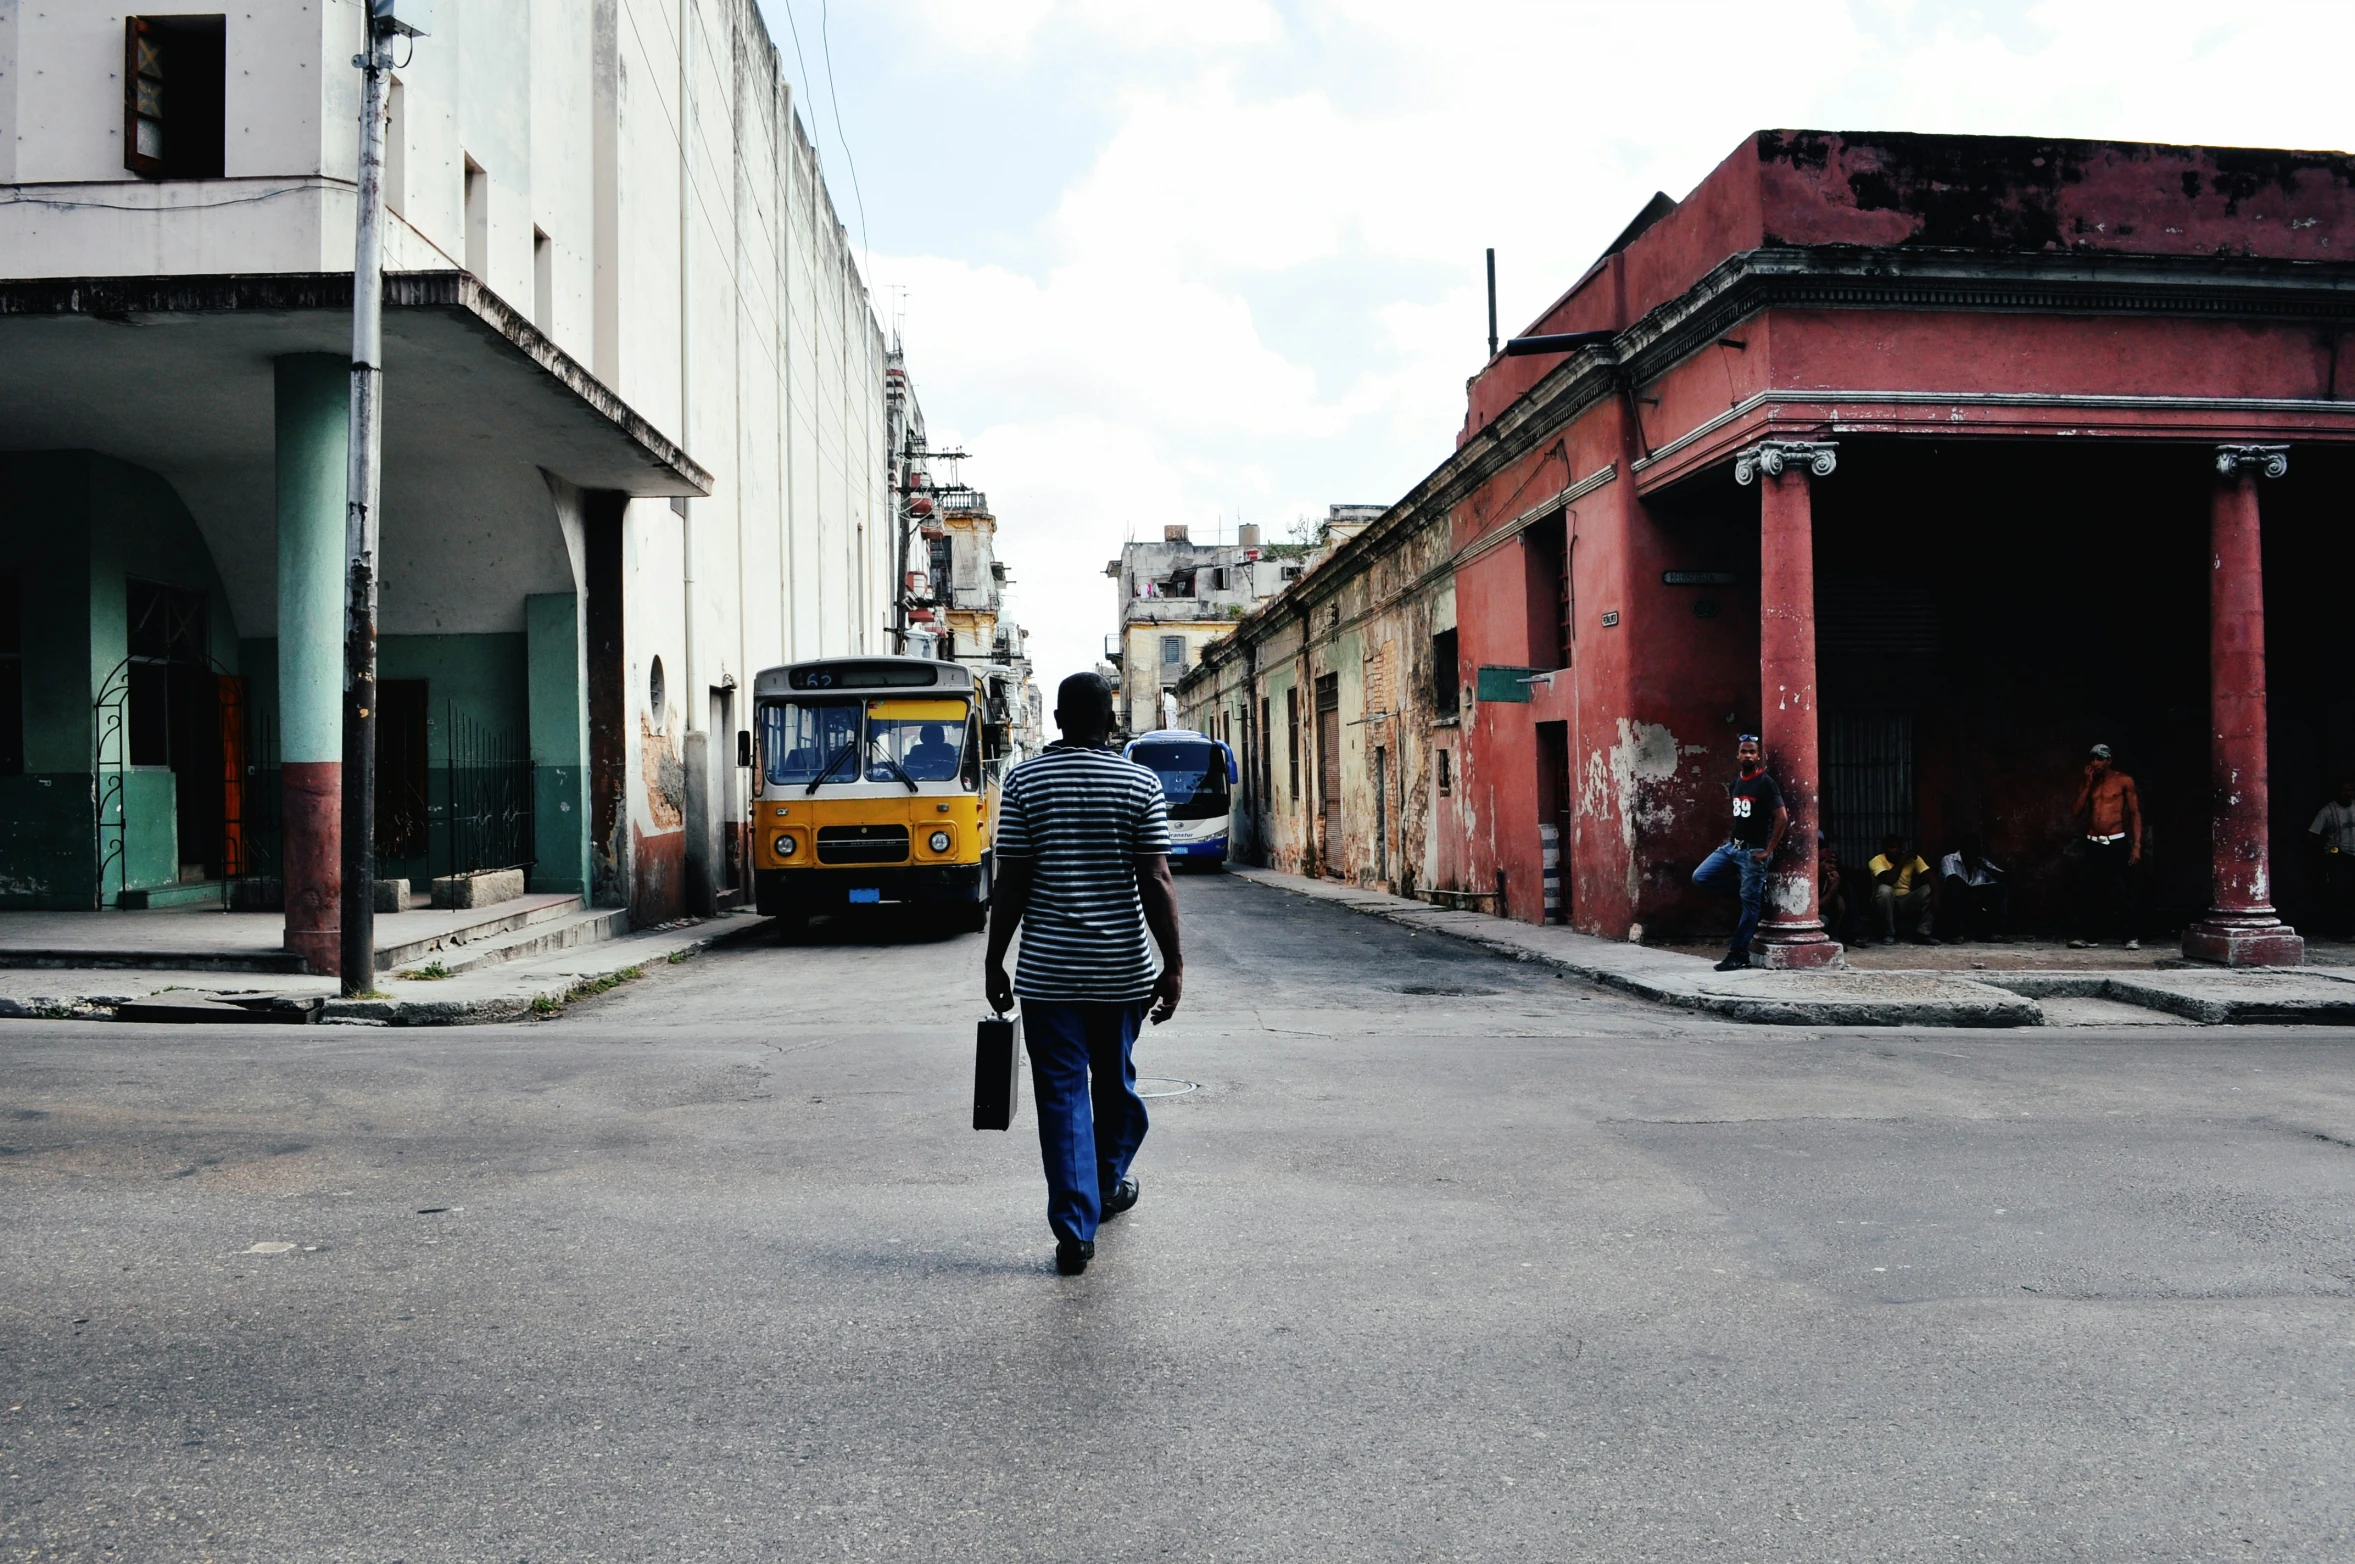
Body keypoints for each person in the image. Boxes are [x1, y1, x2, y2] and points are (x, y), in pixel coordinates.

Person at [985, 673, 1184, 1277]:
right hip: (1121, 973)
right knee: (1116, 1089)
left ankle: (1078, 1225)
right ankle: (1103, 1183)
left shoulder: (1025, 781)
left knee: (1063, 1099)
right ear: (1109, 721)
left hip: (1048, 976)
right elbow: (1156, 880)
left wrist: (995, 958)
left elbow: (1011, 880)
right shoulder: (1139, 782)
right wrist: (1173, 963)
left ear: (1059, 722)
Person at [1691, 733, 1785, 972]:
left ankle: (1738, 953)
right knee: (1701, 877)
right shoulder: (1736, 782)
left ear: (1758, 755)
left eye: (1752, 751)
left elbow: (1781, 818)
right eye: (1744, 751)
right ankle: (1751, 894)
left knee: (1750, 906)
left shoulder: (1765, 782)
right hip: (1733, 847)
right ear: (1738, 754)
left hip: (1755, 852)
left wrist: (1768, 850)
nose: (1748, 755)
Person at [2070, 743, 2143, 950]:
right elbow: (2076, 812)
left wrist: (2137, 845)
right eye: (2093, 759)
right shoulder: (2089, 783)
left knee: (2122, 890)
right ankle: (2089, 937)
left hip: (2116, 841)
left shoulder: (2123, 781)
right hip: (2094, 842)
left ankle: (2130, 937)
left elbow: (2135, 813)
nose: (2096, 763)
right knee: (2090, 890)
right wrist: (2087, 784)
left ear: (2109, 760)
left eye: (2100, 759)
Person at [1867, 834, 1937, 945]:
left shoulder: (1913, 860)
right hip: (1884, 902)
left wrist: (1935, 897)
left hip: (1905, 900)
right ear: (1885, 849)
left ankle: (1923, 933)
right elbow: (1889, 880)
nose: (1895, 850)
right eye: (1891, 847)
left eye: (1898, 847)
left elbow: (1932, 878)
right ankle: (1889, 933)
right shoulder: (1877, 860)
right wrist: (1902, 860)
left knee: (1928, 889)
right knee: (1885, 889)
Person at [1937, 834, 2007, 943]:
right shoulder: (1949, 859)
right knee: (1955, 885)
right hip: (1953, 901)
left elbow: (2004, 877)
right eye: (1971, 848)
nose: (1974, 852)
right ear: (1963, 848)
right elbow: (1951, 879)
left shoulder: (1981, 862)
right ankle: (1955, 933)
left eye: (1976, 849)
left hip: (1975, 903)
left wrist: (1985, 868)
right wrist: (1970, 892)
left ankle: (1987, 932)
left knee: (2000, 888)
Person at [2308, 778, 2355, 940]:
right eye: (2344, 790)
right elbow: (2312, 834)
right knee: (2340, 893)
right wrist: (2322, 854)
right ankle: (2340, 931)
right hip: (2338, 856)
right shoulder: (2328, 811)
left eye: (2350, 790)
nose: (2347, 794)